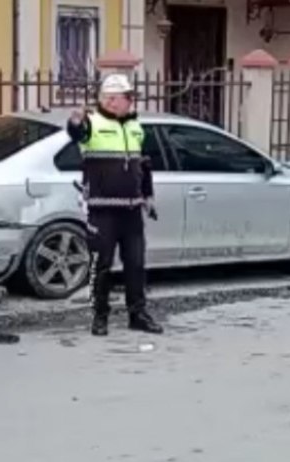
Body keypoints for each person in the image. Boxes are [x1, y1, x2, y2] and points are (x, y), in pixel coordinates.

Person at [67, 73, 163, 337]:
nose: (131, 101)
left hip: (131, 210)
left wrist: (149, 196)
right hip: (102, 210)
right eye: (127, 97)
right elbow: (77, 134)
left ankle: (138, 314)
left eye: (130, 97)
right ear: (111, 100)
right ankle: (99, 316)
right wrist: (75, 121)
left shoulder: (135, 126)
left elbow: (144, 164)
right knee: (102, 265)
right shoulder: (92, 123)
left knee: (136, 264)